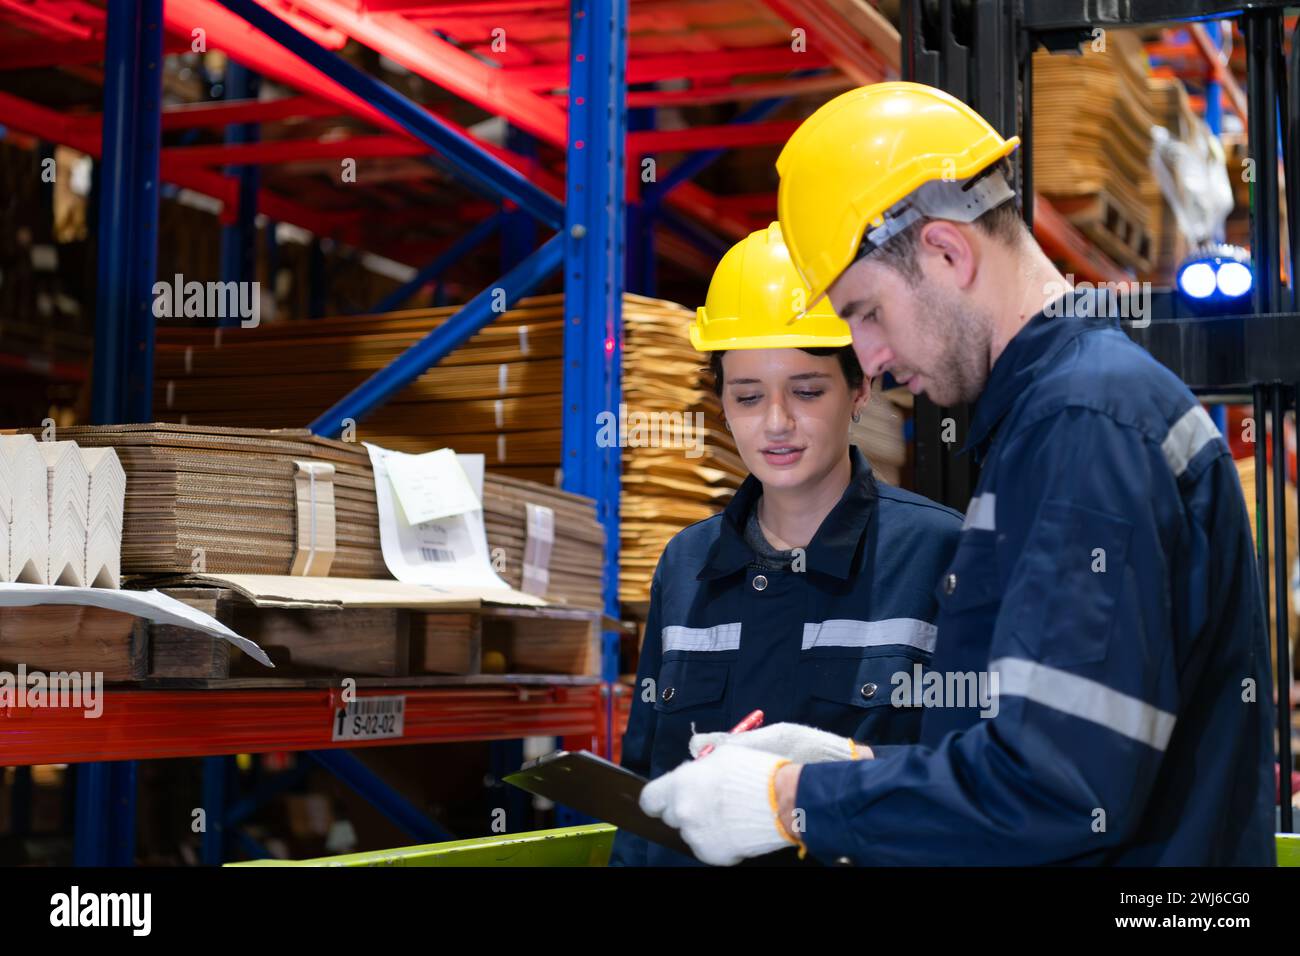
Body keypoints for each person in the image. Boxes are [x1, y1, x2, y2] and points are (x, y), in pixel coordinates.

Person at [639, 82, 1277, 866]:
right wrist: (855, 771)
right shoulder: (1060, 419)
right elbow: (1041, 745)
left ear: (947, 251)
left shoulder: (1081, 426)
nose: (870, 360)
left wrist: (790, 801)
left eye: (866, 313)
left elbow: (1057, 787)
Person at [608, 222, 962, 866]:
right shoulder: (686, 566)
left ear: (860, 389)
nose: (776, 423)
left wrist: (836, 776)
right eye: (747, 396)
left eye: (806, 391)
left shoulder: (941, 555)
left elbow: (978, 778)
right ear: (719, 402)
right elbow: (648, 788)